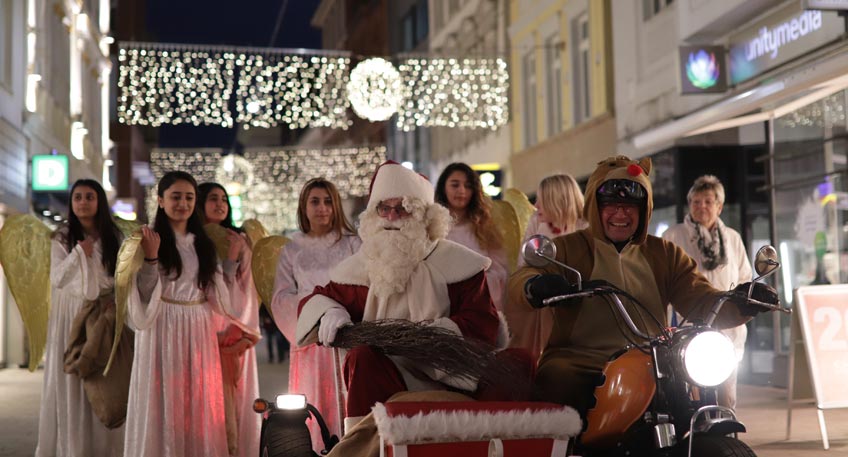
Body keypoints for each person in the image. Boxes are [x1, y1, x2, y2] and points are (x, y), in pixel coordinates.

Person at [508, 156, 776, 418]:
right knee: (558, 382)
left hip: (653, 359)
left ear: (644, 209)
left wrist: (740, 300)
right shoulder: (568, 247)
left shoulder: (664, 252)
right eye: (611, 204)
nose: (620, 214)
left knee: (691, 401)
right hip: (581, 359)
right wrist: (535, 285)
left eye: (630, 206)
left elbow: (699, 296)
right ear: (594, 206)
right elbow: (522, 278)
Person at [296, 162, 501, 431]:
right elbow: (316, 299)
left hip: (445, 378)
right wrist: (331, 310)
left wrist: (428, 338)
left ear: (424, 216)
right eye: (384, 208)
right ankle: (364, 444)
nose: (391, 217)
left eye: (402, 208)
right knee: (362, 357)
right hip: (383, 375)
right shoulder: (360, 267)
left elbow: (482, 322)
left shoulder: (459, 264)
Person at [124, 171, 256, 457]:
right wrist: (151, 257)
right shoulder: (147, 237)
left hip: (198, 328)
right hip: (161, 326)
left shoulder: (202, 243)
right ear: (160, 200)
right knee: (164, 398)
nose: (182, 203)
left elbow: (219, 293)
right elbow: (142, 294)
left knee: (198, 397)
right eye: (175, 197)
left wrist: (231, 262)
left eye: (188, 197)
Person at [36, 179, 125, 457]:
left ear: (99, 201)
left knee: (104, 377)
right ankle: (73, 447)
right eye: (77, 197)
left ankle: (105, 447)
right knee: (74, 378)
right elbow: (58, 278)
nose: (83, 202)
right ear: (71, 203)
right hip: (71, 316)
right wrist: (78, 253)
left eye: (89, 197)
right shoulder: (62, 237)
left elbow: (121, 276)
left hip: (104, 316)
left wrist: (115, 299)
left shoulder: (115, 237)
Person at [271, 177, 361, 451]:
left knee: (350, 402)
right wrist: (314, 314)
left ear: (335, 206)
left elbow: (366, 285)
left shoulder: (353, 245)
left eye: (327, 202)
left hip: (347, 337)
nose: (322, 208)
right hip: (310, 342)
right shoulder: (292, 250)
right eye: (315, 201)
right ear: (304, 207)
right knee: (313, 405)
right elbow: (281, 296)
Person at [662, 175, 752, 410]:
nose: (701, 206)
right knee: (691, 394)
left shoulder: (732, 238)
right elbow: (664, 282)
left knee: (727, 395)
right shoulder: (673, 236)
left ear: (719, 206)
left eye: (708, 201)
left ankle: (728, 440)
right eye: (696, 201)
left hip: (727, 328)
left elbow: (744, 278)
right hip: (689, 326)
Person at [198, 181, 260, 457]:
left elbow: (246, 290)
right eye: (213, 198)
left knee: (234, 401)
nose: (220, 204)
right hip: (199, 332)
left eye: (224, 199)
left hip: (233, 332)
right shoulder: (193, 240)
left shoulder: (240, 240)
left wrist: (244, 332)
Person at [508, 174, 588, 361]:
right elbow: (523, 264)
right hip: (542, 307)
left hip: (579, 309)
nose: (536, 205)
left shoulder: (586, 226)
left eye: (541, 200)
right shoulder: (537, 222)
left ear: (557, 200)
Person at [435, 163, 509, 311]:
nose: (462, 191)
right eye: (455, 185)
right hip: (443, 304)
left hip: (480, 304)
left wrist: (476, 285)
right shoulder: (433, 227)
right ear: (444, 187)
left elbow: (500, 270)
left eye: (468, 186)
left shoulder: (486, 227)